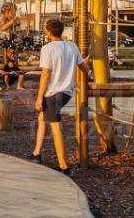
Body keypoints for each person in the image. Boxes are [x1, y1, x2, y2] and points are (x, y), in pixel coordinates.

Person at [32, 18, 91, 175]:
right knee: (42, 118)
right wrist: (86, 61)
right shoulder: (72, 46)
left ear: (49, 32)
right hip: (66, 93)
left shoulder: (47, 49)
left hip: (52, 93)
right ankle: (36, 153)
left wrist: (39, 97)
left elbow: (46, 74)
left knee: (56, 127)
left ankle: (64, 166)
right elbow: (85, 69)